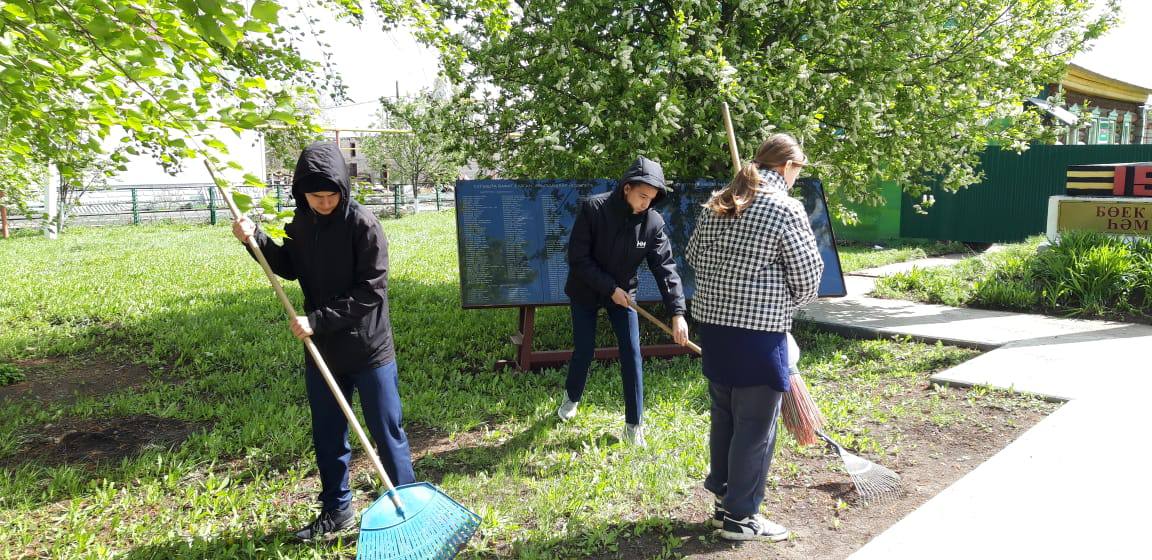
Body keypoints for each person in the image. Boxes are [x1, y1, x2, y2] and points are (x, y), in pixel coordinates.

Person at [232, 142, 415, 541]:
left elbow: (371, 291)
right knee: (328, 434)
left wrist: (317, 320)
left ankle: (408, 507)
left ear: (343, 188)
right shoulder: (301, 223)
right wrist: (254, 239)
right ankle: (337, 509)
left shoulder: (363, 224)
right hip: (323, 352)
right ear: (302, 194)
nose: (326, 202)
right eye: (317, 196)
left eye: (332, 195)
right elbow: (288, 267)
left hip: (368, 348)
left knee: (387, 431)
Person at [685, 133, 824, 541]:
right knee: (755, 427)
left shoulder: (719, 202)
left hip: (714, 330)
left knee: (725, 418)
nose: (797, 178)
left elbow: (693, 257)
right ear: (788, 166)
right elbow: (807, 279)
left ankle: (724, 505)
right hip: (759, 335)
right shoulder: (785, 207)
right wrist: (783, 301)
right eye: (798, 170)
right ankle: (742, 518)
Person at [557, 156, 689, 447]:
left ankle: (634, 425)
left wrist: (677, 313)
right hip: (586, 290)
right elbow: (578, 259)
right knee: (584, 350)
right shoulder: (594, 209)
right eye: (642, 196)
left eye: (651, 199)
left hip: (624, 296)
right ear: (627, 187)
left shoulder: (653, 223)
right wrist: (609, 288)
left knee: (632, 352)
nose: (646, 203)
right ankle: (571, 397)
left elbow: (665, 268)